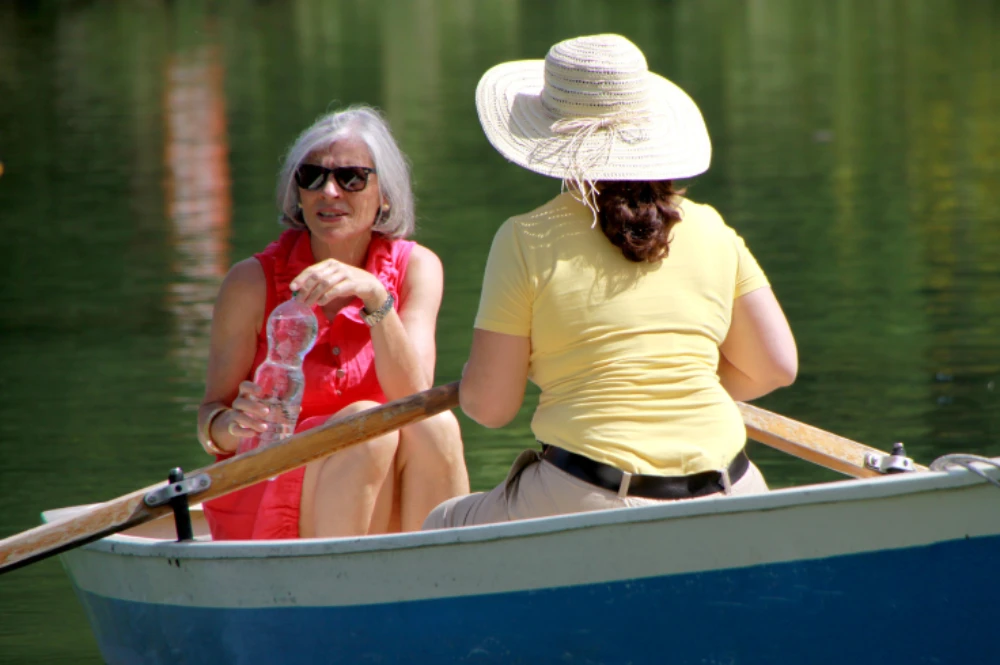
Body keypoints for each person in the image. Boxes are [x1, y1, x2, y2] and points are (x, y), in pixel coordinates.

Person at [424, 34, 797, 529]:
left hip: (593, 496)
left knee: (441, 523)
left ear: (548, 137)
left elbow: (492, 408)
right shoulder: (709, 224)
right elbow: (776, 366)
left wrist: (477, 377)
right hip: (733, 490)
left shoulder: (525, 237)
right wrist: (674, 381)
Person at [197, 105, 469, 540]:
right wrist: (233, 425)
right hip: (270, 483)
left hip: (382, 483)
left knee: (434, 423)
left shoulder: (417, 268)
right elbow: (211, 420)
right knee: (366, 423)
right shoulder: (251, 282)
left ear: (385, 194)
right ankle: (344, 588)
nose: (329, 192)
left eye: (352, 178)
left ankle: (447, 580)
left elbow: (416, 400)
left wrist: (376, 298)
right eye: (312, 177)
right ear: (297, 192)